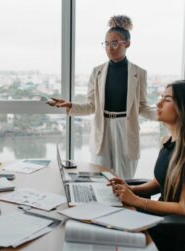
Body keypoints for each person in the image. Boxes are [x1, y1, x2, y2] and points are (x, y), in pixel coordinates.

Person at [48, 15, 156, 179]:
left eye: (114, 43)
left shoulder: (139, 73)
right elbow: (91, 106)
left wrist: (163, 114)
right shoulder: (97, 72)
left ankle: (124, 205)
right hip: (102, 129)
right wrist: (70, 105)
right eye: (106, 43)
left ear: (127, 44)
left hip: (126, 129)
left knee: (124, 181)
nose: (109, 48)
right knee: (99, 178)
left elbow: (141, 106)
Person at [109, 81, 185, 250]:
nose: (158, 104)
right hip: (160, 217)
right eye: (161, 98)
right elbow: (160, 182)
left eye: (167, 99)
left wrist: (136, 200)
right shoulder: (169, 142)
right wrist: (129, 189)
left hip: (171, 229)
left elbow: (183, 207)